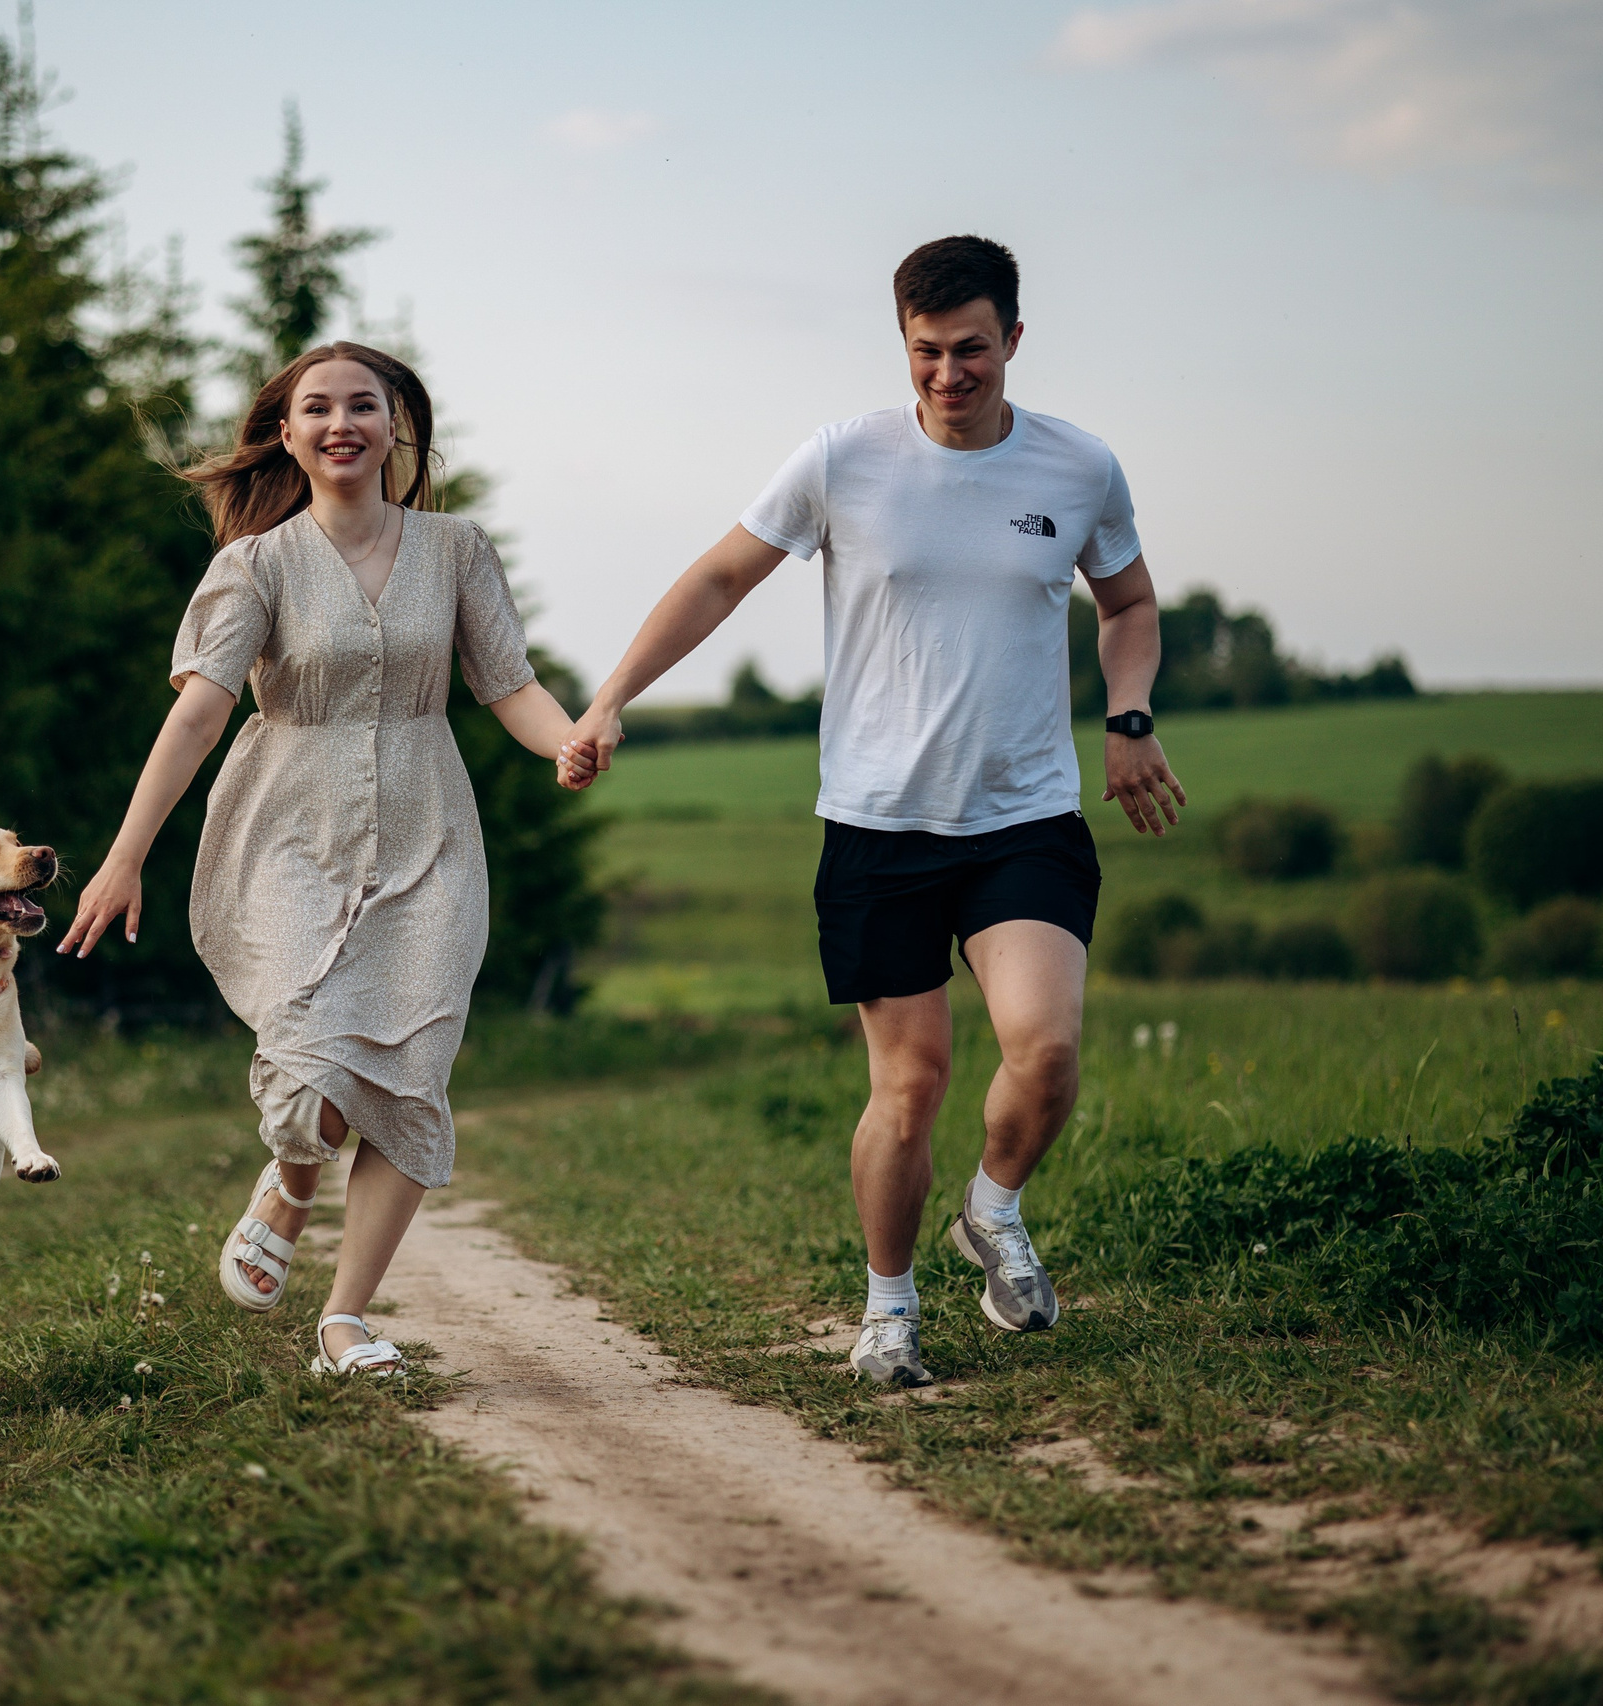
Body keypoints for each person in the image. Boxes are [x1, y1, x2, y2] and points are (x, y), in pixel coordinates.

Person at [564, 236, 1185, 1387]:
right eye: (925, 353)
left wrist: (1130, 714)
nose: (948, 374)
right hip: (878, 825)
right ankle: (887, 1305)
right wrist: (609, 697)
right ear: (903, 344)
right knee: (909, 1084)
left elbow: (1130, 600)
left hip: (1025, 816)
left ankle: (991, 1207)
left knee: (1044, 1053)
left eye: (970, 351)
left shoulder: (1077, 467)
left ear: (1012, 339)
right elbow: (717, 577)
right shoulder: (842, 459)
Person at [59, 341, 593, 1377]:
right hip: (286, 833)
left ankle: (345, 1316)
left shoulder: (456, 548)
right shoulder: (254, 566)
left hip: (430, 836)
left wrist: (564, 738)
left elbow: (509, 685)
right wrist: (125, 855)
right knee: (309, 1076)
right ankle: (294, 1171)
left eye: (365, 404)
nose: (342, 422)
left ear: (398, 425)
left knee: (410, 1071)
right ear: (288, 432)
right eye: (319, 407)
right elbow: (198, 717)